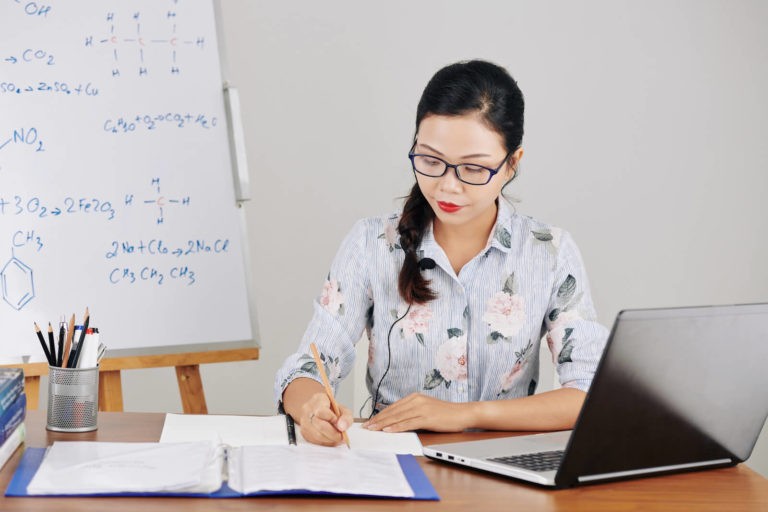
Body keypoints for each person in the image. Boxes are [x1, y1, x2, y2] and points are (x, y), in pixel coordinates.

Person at [275, 59, 608, 446]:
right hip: (396, 460)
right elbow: (307, 367)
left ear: (512, 163)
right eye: (430, 161)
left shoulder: (548, 252)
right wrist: (310, 407)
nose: (447, 187)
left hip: (504, 467)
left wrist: (464, 415)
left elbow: (589, 394)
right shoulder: (372, 245)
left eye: (473, 169)